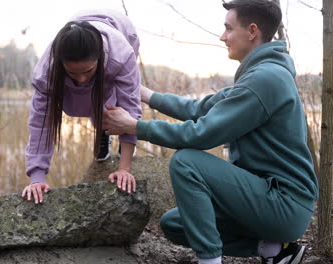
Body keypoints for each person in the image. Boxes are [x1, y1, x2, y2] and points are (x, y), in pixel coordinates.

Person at [102, 1, 318, 264]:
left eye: (228, 28)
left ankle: (210, 261)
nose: (222, 36)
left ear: (252, 31)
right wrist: (146, 95)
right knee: (176, 223)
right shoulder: (257, 76)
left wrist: (135, 127)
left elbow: (200, 134)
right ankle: (274, 251)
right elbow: (199, 109)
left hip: (284, 204)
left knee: (187, 162)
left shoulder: (265, 79)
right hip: (268, 199)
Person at [22, 9, 142, 204]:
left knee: (110, 94)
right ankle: (103, 131)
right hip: (77, 31)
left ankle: (107, 128)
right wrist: (37, 177)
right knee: (81, 97)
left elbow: (131, 106)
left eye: (87, 70)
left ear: (99, 59)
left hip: (122, 30)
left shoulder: (121, 56)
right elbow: (40, 124)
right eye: (72, 73)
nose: (81, 78)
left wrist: (124, 169)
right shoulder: (46, 72)